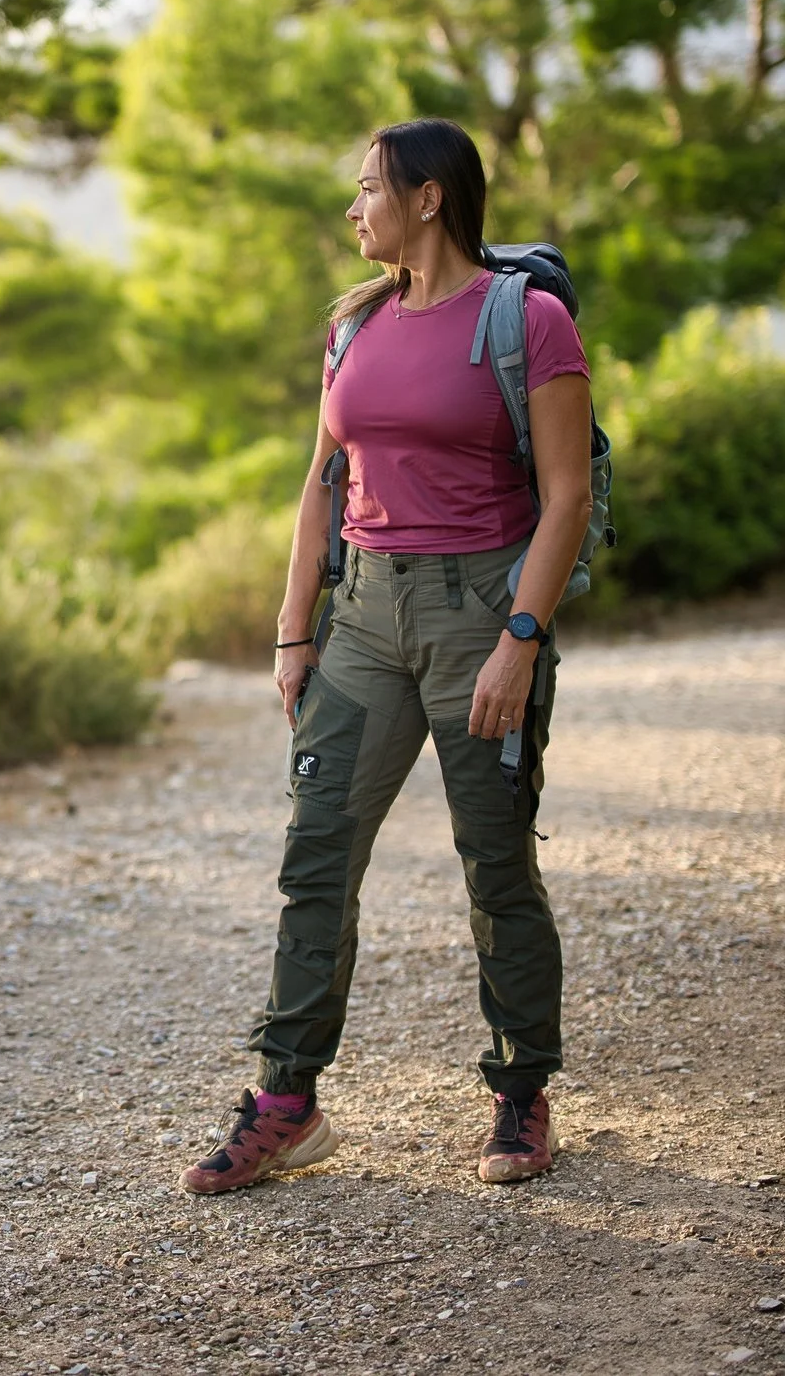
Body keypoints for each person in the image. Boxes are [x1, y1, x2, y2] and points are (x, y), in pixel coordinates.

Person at [179, 117, 594, 1195]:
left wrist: (518, 640)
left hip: (476, 617)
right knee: (317, 854)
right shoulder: (351, 323)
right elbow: (322, 479)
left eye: (369, 188)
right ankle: (286, 1098)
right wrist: (293, 624)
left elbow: (566, 497)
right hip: (362, 618)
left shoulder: (528, 322)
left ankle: (518, 1089)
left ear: (428, 199)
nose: (353, 208)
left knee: (495, 863)